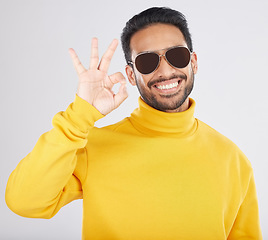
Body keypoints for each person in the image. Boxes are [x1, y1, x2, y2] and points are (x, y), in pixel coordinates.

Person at [5, 7, 262, 239]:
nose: (164, 71)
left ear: (193, 62)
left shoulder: (234, 160)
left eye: (177, 55)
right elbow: (24, 202)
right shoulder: (93, 147)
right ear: (131, 74)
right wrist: (79, 115)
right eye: (147, 61)